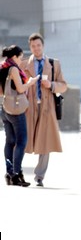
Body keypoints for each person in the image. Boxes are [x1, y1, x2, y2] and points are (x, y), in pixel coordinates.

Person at [22, 33, 68, 187]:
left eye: (38, 45)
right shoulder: (23, 65)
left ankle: (39, 176)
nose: (36, 48)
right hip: (29, 107)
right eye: (33, 46)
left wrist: (52, 85)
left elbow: (63, 85)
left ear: (43, 46)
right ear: (30, 47)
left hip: (47, 108)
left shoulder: (54, 64)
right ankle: (16, 171)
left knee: (45, 141)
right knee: (22, 139)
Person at [2, 45, 38, 187]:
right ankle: (17, 174)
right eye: (20, 57)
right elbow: (20, 88)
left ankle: (9, 174)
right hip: (16, 110)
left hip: (5, 109)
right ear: (15, 56)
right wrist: (30, 83)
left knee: (9, 141)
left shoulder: (3, 67)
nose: (21, 60)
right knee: (21, 141)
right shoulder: (14, 69)